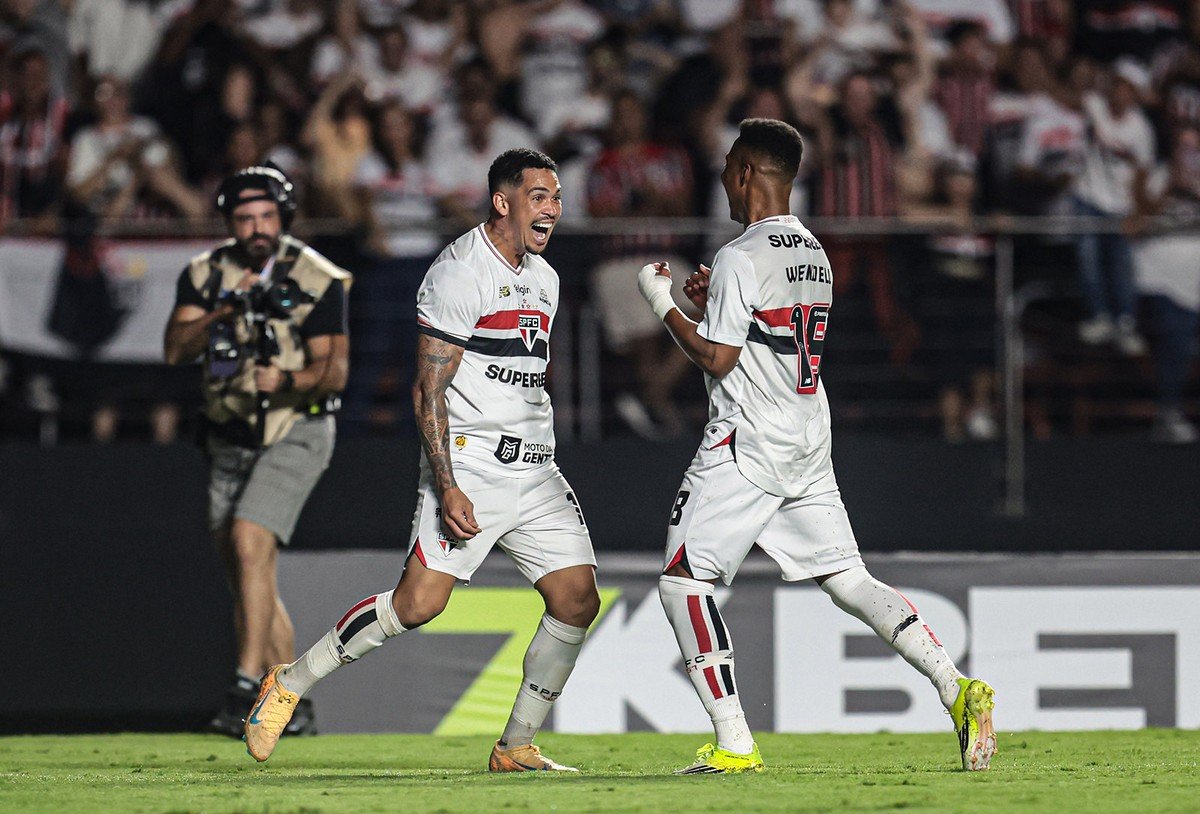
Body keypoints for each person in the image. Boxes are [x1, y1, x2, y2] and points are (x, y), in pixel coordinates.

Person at [635, 119, 997, 774]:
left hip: (750, 440)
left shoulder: (743, 255)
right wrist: (714, 298)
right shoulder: (813, 254)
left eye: (726, 167)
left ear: (746, 172)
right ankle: (956, 686)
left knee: (683, 584)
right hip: (806, 430)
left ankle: (734, 743)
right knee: (848, 578)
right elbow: (768, 337)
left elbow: (718, 359)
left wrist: (661, 302)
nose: (720, 177)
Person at [242, 149, 601, 773]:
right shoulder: (459, 272)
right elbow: (427, 390)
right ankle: (290, 681)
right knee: (417, 606)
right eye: (539, 196)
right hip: (470, 468)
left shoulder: (545, 277)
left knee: (576, 600)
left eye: (557, 196)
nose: (553, 208)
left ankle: (515, 745)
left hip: (536, 469)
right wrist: (447, 483)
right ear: (503, 201)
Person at [163, 165, 352, 738]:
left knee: (250, 540)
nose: (257, 228)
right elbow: (175, 348)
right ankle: (293, 702)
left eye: (267, 216)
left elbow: (335, 371)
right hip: (229, 434)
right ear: (229, 223)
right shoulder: (205, 274)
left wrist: (288, 381)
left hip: (298, 426)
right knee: (250, 569)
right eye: (244, 218)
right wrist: (223, 309)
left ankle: (246, 685)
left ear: (285, 218)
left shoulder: (318, 277)